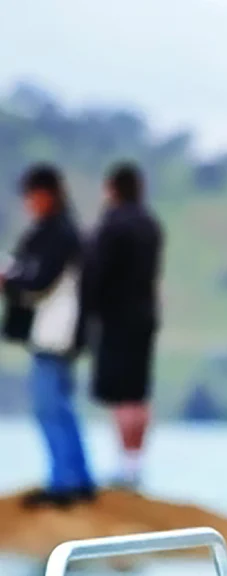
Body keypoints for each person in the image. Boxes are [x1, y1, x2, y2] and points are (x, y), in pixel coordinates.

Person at [0, 163, 95, 508]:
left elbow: (38, 280)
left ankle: (65, 482)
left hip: (56, 334)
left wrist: (10, 282)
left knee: (51, 406)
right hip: (54, 334)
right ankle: (75, 477)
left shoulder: (58, 235)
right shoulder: (53, 232)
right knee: (59, 406)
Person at [82, 161, 164, 490]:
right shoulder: (151, 225)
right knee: (139, 393)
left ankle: (124, 467)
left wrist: (89, 311)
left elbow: (96, 274)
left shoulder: (112, 225)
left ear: (112, 189)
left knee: (122, 394)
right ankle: (135, 463)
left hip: (117, 318)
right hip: (145, 316)